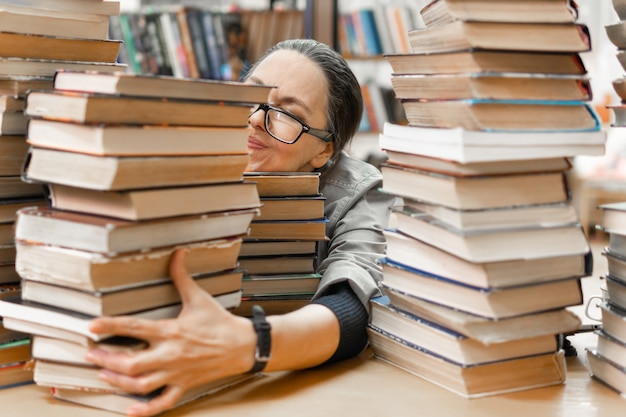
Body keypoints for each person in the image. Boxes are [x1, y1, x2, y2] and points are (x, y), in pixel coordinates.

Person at [85, 38, 395, 417]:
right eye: (250, 96)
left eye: (287, 114)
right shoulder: (168, 149)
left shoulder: (358, 190)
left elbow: (355, 300)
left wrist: (250, 343)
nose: (253, 118)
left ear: (323, 151)